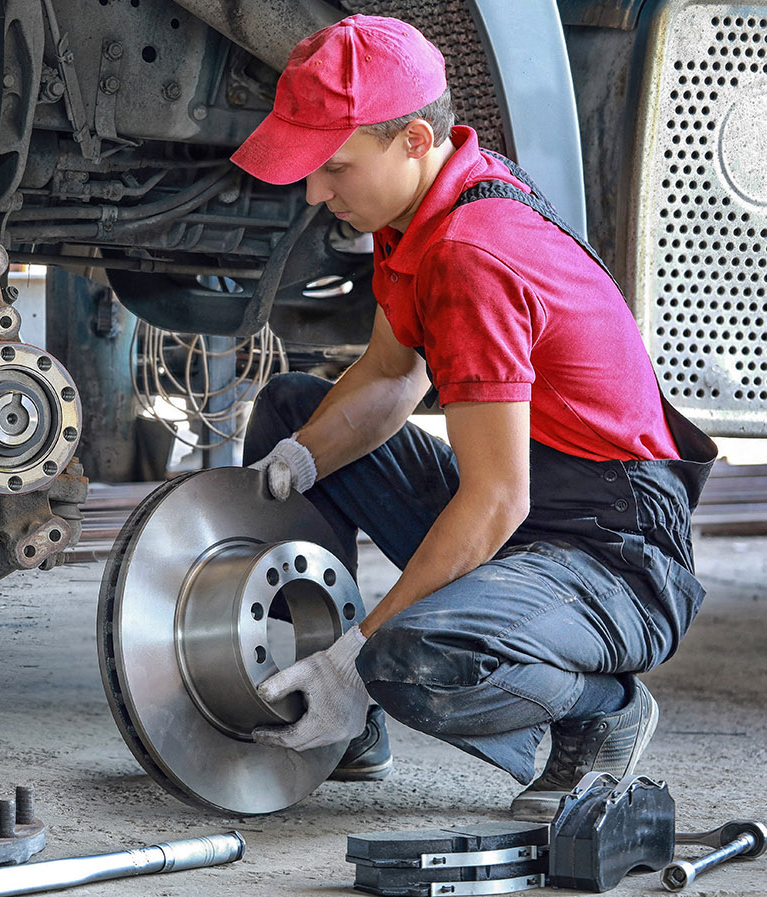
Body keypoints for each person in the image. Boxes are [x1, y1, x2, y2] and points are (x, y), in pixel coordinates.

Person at [230, 14, 716, 819]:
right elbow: (390, 373)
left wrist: (358, 657)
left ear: (412, 139)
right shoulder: (416, 210)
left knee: (410, 658)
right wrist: (297, 463)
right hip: (537, 501)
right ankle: (339, 713)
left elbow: (496, 500)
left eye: (334, 168)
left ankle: (601, 711)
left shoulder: (469, 254)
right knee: (292, 413)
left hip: (616, 551)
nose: (315, 192)